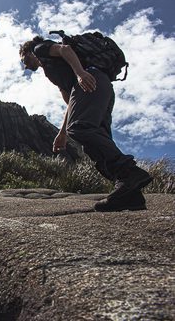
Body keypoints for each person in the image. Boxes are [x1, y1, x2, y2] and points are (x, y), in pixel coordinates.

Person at [19, 35, 152, 212]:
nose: (25, 66)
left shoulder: (40, 48)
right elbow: (71, 104)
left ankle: (129, 173)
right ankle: (131, 195)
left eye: (24, 60)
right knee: (95, 140)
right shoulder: (53, 71)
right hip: (97, 86)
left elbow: (65, 50)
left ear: (28, 51)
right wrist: (63, 133)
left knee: (81, 128)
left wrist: (81, 73)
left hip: (90, 79)